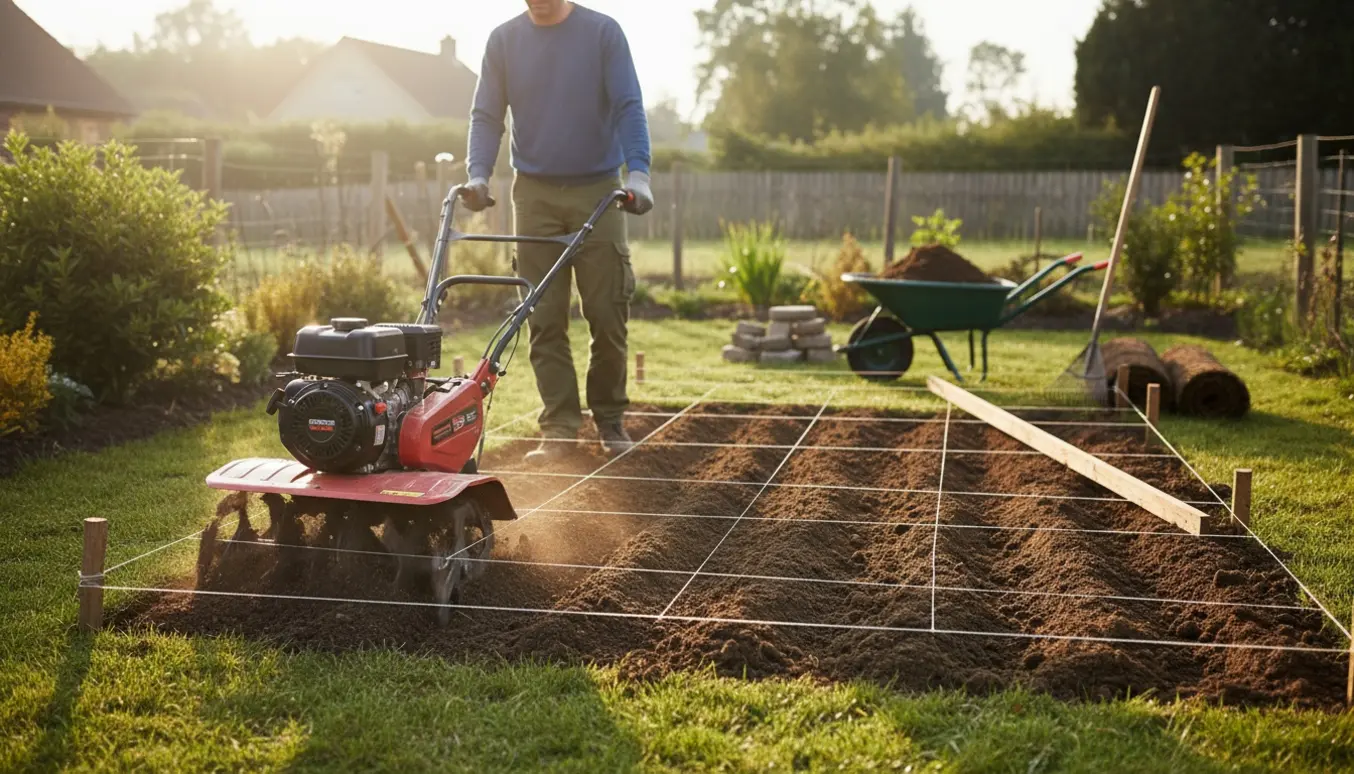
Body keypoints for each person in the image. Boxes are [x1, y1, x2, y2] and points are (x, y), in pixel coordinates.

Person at [462, 0, 652, 464]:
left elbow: (628, 105)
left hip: (600, 190)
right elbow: (487, 115)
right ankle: (560, 429)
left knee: (607, 312)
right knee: (543, 317)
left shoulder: (603, 33)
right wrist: (479, 174)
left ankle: (609, 419)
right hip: (533, 193)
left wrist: (640, 174)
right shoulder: (504, 40)